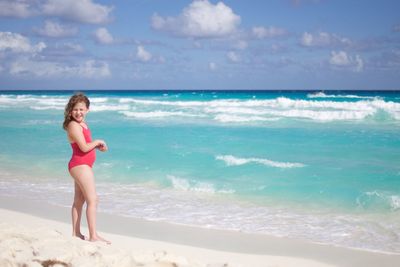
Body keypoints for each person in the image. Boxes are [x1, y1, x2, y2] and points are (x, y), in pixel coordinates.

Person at [63, 92, 110, 244]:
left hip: (82, 165)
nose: (78, 112)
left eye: (81, 109)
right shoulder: (73, 125)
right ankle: (94, 236)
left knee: (79, 200)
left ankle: (76, 233)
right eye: (75, 109)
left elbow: (84, 146)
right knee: (93, 199)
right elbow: (83, 148)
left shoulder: (83, 124)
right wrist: (97, 142)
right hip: (79, 165)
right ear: (70, 111)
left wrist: (97, 147)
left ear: (87, 110)